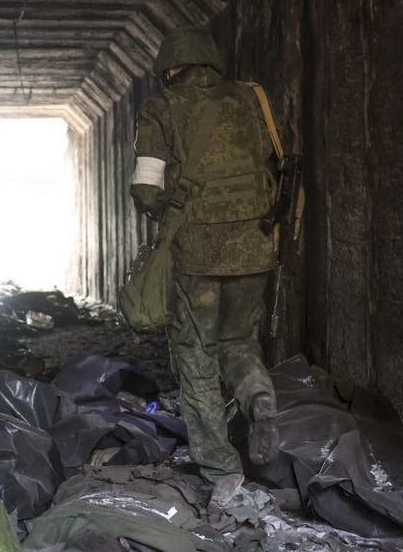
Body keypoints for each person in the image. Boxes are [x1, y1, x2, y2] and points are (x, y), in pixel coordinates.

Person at [129, 28, 280, 507]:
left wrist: (163, 211)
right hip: (255, 245)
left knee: (195, 354)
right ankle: (259, 396)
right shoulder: (251, 99)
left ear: (171, 67)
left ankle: (220, 468)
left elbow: (148, 187)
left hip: (197, 252)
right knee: (239, 341)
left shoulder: (161, 107)